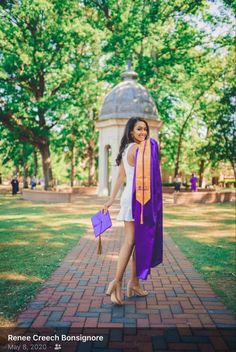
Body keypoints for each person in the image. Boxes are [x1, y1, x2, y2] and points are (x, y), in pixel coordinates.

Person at [102, 117, 163, 305]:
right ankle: (117, 281)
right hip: (139, 199)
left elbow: (120, 176)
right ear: (131, 132)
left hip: (129, 197)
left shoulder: (127, 148)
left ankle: (134, 283)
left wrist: (112, 198)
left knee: (137, 241)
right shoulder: (140, 149)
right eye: (139, 129)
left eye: (145, 129)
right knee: (130, 241)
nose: (143, 133)